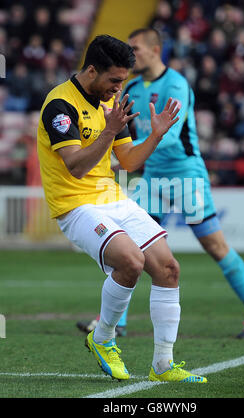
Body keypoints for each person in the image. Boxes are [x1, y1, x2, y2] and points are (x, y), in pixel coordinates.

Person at [77, 29, 244, 339]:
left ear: (155, 50)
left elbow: (166, 136)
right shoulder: (134, 86)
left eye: (136, 48)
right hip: (152, 177)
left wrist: (116, 160)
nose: (132, 54)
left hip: (185, 175)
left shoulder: (177, 84)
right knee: (135, 246)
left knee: (215, 246)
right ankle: (117, 321)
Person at [37, 34, 207, 384]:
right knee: (131, 261)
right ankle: (102, 339)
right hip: (74, 204)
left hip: (111, 198)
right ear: (92, 70)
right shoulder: (59, 105)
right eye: (114, 80)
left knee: (168, 268)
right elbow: (77, 167)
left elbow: (127, 161)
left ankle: (163, 365)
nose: (118, 88)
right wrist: (109, 130)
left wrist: (155, 136)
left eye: (123, 81)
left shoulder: (111, 103)